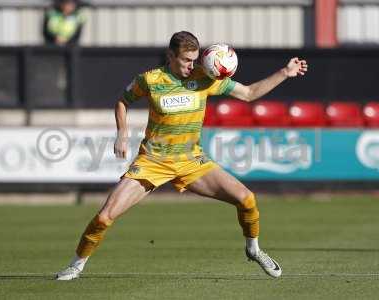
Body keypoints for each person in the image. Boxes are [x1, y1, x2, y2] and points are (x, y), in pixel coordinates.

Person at [56, 31, 308, 280]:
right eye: (186, 60)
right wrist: (122, 132)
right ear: (170, 55)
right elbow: (122, 101)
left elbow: (249, 93)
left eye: (195, 59)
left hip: (191, 162)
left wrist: (285, 73)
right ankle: (76, 265)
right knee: (104, 217)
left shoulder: (205, 77)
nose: (192, 65)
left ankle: (253, 249)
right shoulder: (150, 80)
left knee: (247, 199)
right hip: (153, 162)